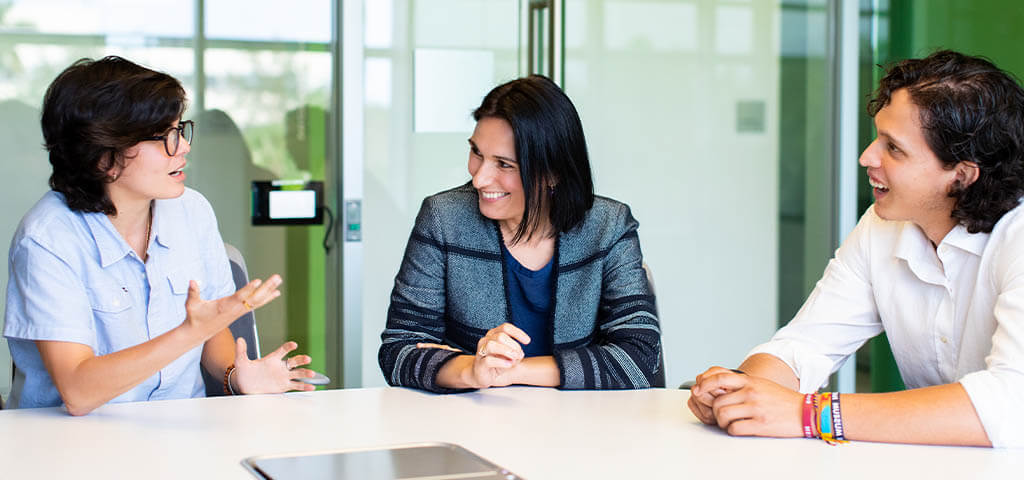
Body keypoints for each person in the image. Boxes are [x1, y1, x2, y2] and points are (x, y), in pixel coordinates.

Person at [688, 50, 1024, 448]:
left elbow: (1010, 404)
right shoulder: (882, 226)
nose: (867, 157)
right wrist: (743, 393)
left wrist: (809, 413)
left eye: (894, 149)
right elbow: (805, 345)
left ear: (962, 176)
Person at [3, 56, 317, 415]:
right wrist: (189, 332)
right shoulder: (47, 239)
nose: (183, 147)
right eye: (163, 137)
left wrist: (238, 377)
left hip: (179, 430)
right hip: (70, 443)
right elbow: (78, 391)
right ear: (102, 156)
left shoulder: (192, 211)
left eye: (180, 130)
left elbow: (213, 332)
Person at [378, 75, 662, 392]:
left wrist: (508, 371)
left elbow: (639, 360)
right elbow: (398, 351)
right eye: (476, 153)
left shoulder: (608, 226)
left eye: (504, 164)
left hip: (580, 426)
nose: (480, 179)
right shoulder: (443, 219)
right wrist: (472, 371)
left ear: (554, 173)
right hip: (473, 422)